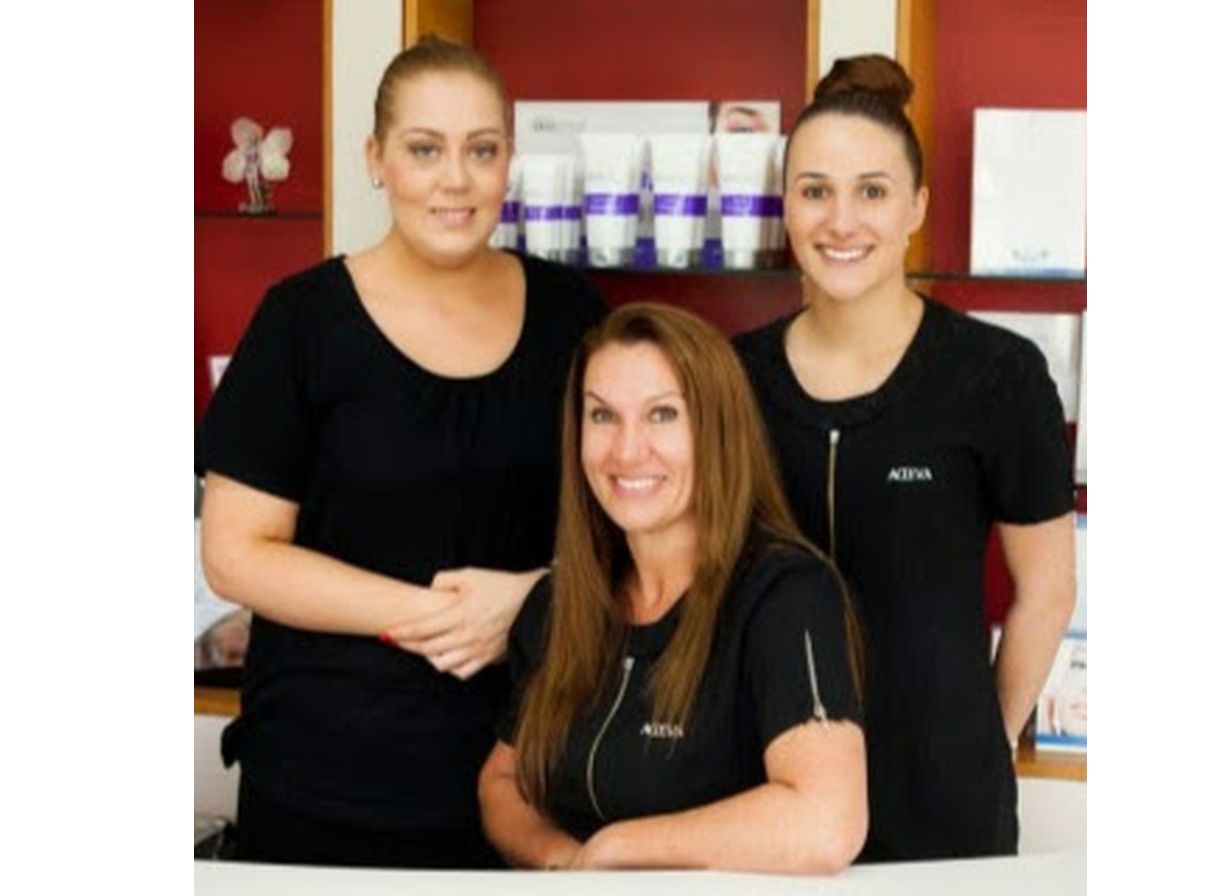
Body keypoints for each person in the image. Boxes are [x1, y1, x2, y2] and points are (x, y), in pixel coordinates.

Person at [195, 35, 606, 868]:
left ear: (509, 159)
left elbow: (635, 525)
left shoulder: (572, 315)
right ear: (375, 158)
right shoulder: (301, 322)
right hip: (325, 774)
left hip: (528, 775)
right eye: (424, 149)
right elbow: (235, 554)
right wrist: (445, 617)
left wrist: (530, 601)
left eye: (480, 150)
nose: (455, 179)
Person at [734, 55, 1077, 861]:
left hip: (943, 798)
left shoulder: (995, 375)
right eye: (814, 191)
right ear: (785, 206)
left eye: (872, 192)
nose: (840, 221)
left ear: (916, 206)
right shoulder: (732, 376)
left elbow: (1048, 590)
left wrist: (980, 738)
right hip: (761, 790)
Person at [478, 303, 867, 873]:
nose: (627, 450)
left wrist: (616, 850)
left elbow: (826, 820)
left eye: (662, 414)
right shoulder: (561, 602)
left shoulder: (786, 596)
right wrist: (565, 863)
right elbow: (503, 781)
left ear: (717, 430)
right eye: (603, 416)